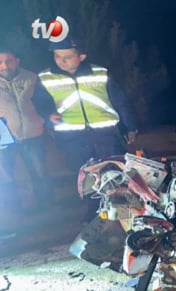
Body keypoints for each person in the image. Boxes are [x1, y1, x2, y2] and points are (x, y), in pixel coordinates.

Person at [38, 38, 138, 219]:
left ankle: (121, 210)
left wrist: (131, 127)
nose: (62, 61)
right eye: (57, 56)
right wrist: (48, 116)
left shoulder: (99, 73)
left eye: (67, 57)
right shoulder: (46, 77)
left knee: (113, 171)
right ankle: (96, 213)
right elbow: (40, 103)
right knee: (85, 175)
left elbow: (120, 101)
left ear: (81, 56)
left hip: (106, 133)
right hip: (72, 137)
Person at [0, 47, 57, 209]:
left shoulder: (31, 78)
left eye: (8, 61)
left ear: (17, 61)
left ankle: (46, 204)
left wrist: (48, 117)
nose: (4, 66)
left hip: (33, 134)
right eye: (0, 62)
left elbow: (44, 103)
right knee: (6, 176)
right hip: (3, 139)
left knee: (40, 172)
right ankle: (13, 208)